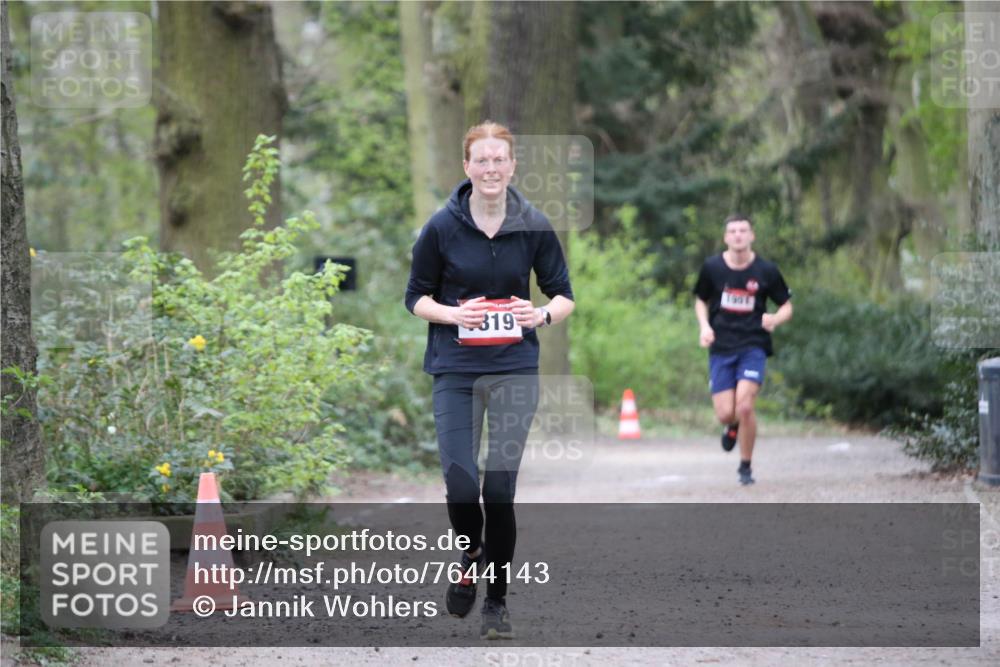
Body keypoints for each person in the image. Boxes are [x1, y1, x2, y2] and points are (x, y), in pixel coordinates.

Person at [404, 121, 574, 639]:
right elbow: (415, 298)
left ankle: (496, 602)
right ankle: (470, 553)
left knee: (498, 489)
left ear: (513, 165)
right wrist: (454, 315)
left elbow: (564, 295)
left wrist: (540, 316)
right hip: (455, 369)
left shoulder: (534, 225)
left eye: (500, 159)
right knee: (460, 485)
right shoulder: (441, 227)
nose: (492, 168)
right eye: (482, 159)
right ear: (467, 167)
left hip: (514, 369)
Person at [693, 214, 792, 485]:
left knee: (745, 406)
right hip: (721, 346)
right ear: (726, 237)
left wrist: (775, 318)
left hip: (753, 345)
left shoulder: (766, 270)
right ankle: (732, 425)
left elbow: (787, 305)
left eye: (743, 230)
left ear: (751, 236)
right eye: (733, 231)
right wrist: (704, 327)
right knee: (726, 412)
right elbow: (701, 300)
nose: (738, 235)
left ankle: (745, 467)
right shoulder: (712, 268)